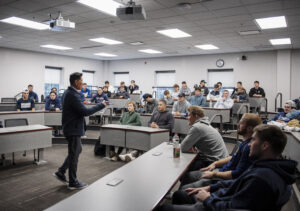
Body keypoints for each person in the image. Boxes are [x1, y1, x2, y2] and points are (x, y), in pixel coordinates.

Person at [158, 124, 297, 211]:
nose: (249, 144)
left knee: (165, 208)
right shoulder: (267, 167)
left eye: (254, 140)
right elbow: (237, 183)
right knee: (180, 194)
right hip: (219, 198)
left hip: (216, 205)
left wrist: (208, 198)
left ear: (265, 145)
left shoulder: (261, 178)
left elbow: (233, 206)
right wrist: (210, 188)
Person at [180, 113, 261, 190]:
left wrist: (214, 174)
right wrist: (215, 163)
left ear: (249, 128)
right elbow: (233, 157)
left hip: (222, 178)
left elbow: (237, 174)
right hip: (221, 171)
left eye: (241, 123)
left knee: (185, 188)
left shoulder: (248, 147)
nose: (237, 125)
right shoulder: (245, 143)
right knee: (187, 176)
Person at [53, 72, 106, 190]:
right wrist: (101, 105)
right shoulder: (72, 95)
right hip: (73, 129)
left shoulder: (70, 93)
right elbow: (85, 112)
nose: (83, 83)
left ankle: (61, 171)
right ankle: (73, 181)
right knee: (74, 155)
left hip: (71, 127)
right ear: (76, 82)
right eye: (81, 81)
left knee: (77, 150)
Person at [181, 106, 228, 171]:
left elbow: (183, 148)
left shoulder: (197, 127)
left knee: (184, 166)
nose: (187, 118)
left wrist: (189, 146)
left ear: (196, 116)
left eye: (189, 116)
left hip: (214, 162)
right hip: (221, 159)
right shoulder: (206, 124)